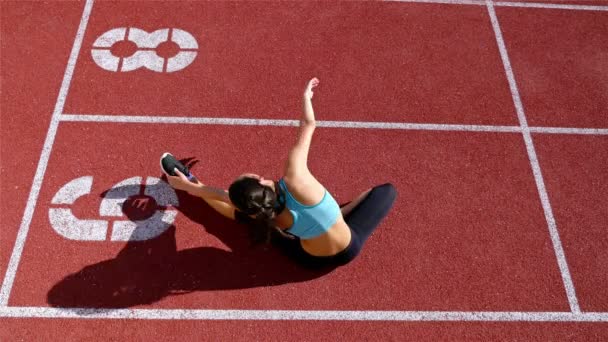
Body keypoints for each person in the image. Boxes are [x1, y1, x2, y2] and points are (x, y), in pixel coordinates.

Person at [164, 78, 396, 268]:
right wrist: (306, 97)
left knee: (248, 217)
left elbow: (218, 195)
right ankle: (337, 214)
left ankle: (335, 215)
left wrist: (191, 186)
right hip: (349, 247)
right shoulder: (296, 176)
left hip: (312, 261)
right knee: (387, 191)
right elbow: (308, 124)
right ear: (261, 180)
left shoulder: (262, 214)